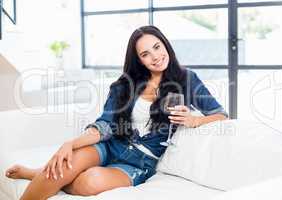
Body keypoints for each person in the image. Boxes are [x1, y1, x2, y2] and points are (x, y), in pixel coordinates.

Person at [5, 25, 228, 200]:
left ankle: (38, 175)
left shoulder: (186, 79)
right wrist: (71, 144)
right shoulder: (125, 84)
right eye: (145, 53)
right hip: (112, 144)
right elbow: (105, 124)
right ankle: (45, 175)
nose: (155, 56)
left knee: (88, 182)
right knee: (62, 167)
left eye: (157, 47)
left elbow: (221, 114)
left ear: (166, 45)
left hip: (140, 161)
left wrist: (193, 120)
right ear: (139, 59)